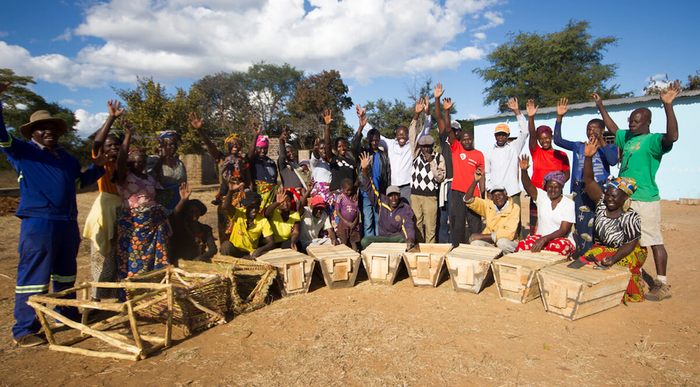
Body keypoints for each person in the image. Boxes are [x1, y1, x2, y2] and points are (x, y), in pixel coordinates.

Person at [1, 82, 106, 347]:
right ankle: (25, 328)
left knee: (65, 274)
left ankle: (66, 314)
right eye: (42, 128)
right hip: (39, 222)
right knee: (34, 276)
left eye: (53, 128)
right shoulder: (21, 152)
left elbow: (80, 184)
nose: (48, 131)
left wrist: (100, 168)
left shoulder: (67, 159)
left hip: (67, 222)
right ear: (32, 133)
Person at [593, 80, 681, 301]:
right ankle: (633, 275)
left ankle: (662, 283)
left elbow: (673, 137)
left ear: (647, 122)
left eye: (636, 121)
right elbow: (613, 129)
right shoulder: (628, 137)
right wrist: (601, 106)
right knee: (627, 237)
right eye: (630, 120)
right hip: (626, 199)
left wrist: (668, 105)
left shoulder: (653, 141)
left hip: (645, 199)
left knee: (652, 239)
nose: (631, 123)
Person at [579, 139, 646, 303]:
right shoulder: (601, 204)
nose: (609, 199)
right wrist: (588, 157)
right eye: (607, 194)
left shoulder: (630, 216)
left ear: (624, 198)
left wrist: (614, 258)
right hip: (602, 248)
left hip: (626, 252)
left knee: (619, 268)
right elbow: (589, 181)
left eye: (614, 196)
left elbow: (630, 244)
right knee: (583, 264)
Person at [553, 98, 618, 256]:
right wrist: (559, 117)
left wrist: (601, 140)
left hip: (599, 188)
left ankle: (600, 251)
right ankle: (583, 251)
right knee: (582, 221)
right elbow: (558, 140)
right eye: (589, 129)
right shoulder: (579, 146)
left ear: (602, 131)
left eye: (595, 129)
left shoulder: (608, 147)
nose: (591, 132)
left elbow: (612, 160)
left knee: (600, 218)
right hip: (580, 188)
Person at [115, 123, 171, 277]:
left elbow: (159, 195)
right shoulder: (125, 177)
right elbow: (120, 161)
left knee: (154, 260)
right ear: (129, 162)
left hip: (154, 224)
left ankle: (153, 290)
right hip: (134, 225)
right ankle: (132, 293)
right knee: (134, 258)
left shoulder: (150, 178)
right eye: (136, 161)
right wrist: (128, 136)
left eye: (142, 161)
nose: (140, 164)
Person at [82, 100, 124, 300]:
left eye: (117, 145)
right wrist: (111, 119)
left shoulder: (123, 166)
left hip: (120, 211)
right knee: (101, 255)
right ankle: (96, 297)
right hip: (105, 212)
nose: (113, 148)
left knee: (117, 255)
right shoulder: (102, 164)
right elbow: (97, 144)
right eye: (110, 145)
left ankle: (114, 295)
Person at [190, 113, 251, 242]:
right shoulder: (222, 159)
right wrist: (200, 130)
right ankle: (225, 248)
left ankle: (241, 247)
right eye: (232, 144)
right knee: (225, 226)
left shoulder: (244, 161)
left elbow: (248, 179)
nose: (235, 145)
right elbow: (210, 146)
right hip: (225, 198)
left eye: (238, 144)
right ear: (227, 146)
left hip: (241, 198)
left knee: (242, 225)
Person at [442, 93, 485, 247]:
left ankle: (476, 250)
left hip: (474, 194)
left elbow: (482, 176)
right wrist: (447, 111)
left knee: (475, 225)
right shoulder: (456, 148)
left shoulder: (479, 154)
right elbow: (448, 129)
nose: (466, 141)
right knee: (457, 224)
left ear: (472, 139)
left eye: (469, 139)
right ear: (461, 139)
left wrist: (483, 195)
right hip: (457, 192)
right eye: (464, 138)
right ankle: (456, 249)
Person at [526, 99, 570, 234]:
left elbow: (567, 173)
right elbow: (532, 135)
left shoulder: (561, 154)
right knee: (535, 223)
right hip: (537, 193)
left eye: (547, 138)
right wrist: (531, 117)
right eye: (541, 139)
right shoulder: (536, 152)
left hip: (554, 193)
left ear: (551, 137)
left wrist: (559, 182)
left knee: (553, 222)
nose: (544, 141)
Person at [517, 155, 575, 255]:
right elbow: (528, 186)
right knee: (522, 245)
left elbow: (563, 230)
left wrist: (545, 239)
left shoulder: (568, 203)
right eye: (550, 187)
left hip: (560, 240)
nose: (553, 190)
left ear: (561, 187)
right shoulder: (542, 197)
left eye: (556, 187)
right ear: (546, 187)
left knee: (558, 248)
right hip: (541, 238)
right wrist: (524, 171)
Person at [359, 152, 416, 250]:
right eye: (391, 196)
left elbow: (408, 225)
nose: (393, 199)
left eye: (396, 196)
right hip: (383, 238)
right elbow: (370, 188)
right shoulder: (381, 203)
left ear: (399, 196)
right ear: (387, 196)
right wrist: (365, 170)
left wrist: (410, 239)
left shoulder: (404, 208)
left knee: (403, 240)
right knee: (365, 241)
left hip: (397, 238)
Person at [378, 97, 429, 204]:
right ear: (396, 135)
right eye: (399, 134)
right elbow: (376, 135)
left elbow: (425, 130)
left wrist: (425, 114)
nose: (402, 136)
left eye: (404, 134)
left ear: (408, 135)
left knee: (407, 212)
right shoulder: (390, 144)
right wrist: (363, 124)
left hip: (407, 187)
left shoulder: (412, 145)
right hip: (393, 186)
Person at [485, 97, 529, 210]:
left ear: (508, 136)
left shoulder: (514, 147)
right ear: (495, 136)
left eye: (503, 134)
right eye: (498, 134)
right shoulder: (489, 152)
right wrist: (489, 189)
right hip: (496, 194)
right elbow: (487, 173)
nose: (501, 137)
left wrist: (517, 112)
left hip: (512, 192)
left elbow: (525, 132)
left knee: (515, 224)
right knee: (497, 224)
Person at [353, 105, 390, 237]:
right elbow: (354, 146)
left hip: (379, 193)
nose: (374, 142)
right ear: (368, 140)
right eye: (372, 140)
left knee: (379, 221)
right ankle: (369, 248)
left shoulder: (383, 155)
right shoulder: (363, 152)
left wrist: (385, 193)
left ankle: (378, 247)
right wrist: (361, 127)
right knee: (368, 222)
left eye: (377, 140)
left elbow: (387, 175)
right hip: (366, 193)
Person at [464, 168, 520, 254]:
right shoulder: (489, 206)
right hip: (492, 243)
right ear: (492, 198)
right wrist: (475, 181)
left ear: (506, 195)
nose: (497, 198)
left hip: (508, 242)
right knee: (475, 243)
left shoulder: (514, 208)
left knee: (502, 243)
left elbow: (509, 233)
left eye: (500, 195)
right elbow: (468, 200)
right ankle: (490, 262)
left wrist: (481, 236)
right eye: (494, 196)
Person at [433, 82, 459, 243]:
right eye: (452, 130)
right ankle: (443, 245)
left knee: (455, 218)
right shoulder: (445, 142)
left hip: (456, 184)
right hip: (445, 184)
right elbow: (440, 119)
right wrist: (438, 101)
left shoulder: (461, 146)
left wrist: (447, 112)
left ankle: (455, 245)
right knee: (443, 218)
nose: (453, 132)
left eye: (456, 131)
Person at [220, 189, 276, 259]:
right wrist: (230, 191)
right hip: (235, 250)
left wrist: (260, 249)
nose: (254, 210)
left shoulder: (263, 221)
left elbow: (271, 243)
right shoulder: (239, 213)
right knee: (226, 246)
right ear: (246, 207)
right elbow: (225, 207)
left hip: (249, 254)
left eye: (257, 207)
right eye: (252, 207)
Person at [410, 134, 445, 243]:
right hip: (415, 196)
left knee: (430, 227)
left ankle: (429, 251)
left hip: (430, 197)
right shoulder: (415, 156)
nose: (425, 149)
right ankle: (419, 250)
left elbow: (440, 178)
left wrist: (431, 162)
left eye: (428, 146)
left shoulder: (438, 157)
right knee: (417, 225)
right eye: (423, 146)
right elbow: (412, 134)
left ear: (432, 146)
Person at [169, 183, 217, 262]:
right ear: (186, 213)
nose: (194, 214)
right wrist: (183, 200)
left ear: (200, 212)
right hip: (181, 261)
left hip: (198, 261)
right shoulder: (181, 227)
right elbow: (174, 215)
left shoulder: (205, 229)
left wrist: (200, 258)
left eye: (197, 211)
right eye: (191, 211)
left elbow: (213, 249)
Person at [147, 130, 187, 212]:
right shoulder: (153, 160)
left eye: (175, 144)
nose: (173, 147)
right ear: (161, 146)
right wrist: (162, 158)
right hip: (161, 202)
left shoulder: (179, 163)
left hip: (178, 200)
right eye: (170, 144)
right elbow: (151, 178)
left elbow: (184, 183)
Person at [248, 121, 278, 210]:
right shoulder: (252, 160)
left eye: (265, 148)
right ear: (255, 148)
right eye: (260, 148)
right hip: (258, 199)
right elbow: (250, 154)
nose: (262, 150)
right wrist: (256, 136)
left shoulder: (271, 162)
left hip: (271, 198)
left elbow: (275, 180)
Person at [277, 126, 307, 199]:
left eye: (292, 151)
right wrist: (281, 140)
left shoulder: (297, 166)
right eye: (288, 152)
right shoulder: (283, 166)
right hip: (290, 197)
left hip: (301, 195)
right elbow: (282, 156)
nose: (291, 153)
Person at [334, 178, 361, 251]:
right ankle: (345, 257)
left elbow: (357, 211)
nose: (349, 192)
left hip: (354, 225)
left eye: (350, 190)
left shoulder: (355, 198)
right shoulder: (340, 197)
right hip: (343, 225)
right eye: (347, 190)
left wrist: (355, 222)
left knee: (353, 241)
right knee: (344, 242)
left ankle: (356, 257)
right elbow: (337, 211)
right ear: (342, 189)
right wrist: (346, 222)